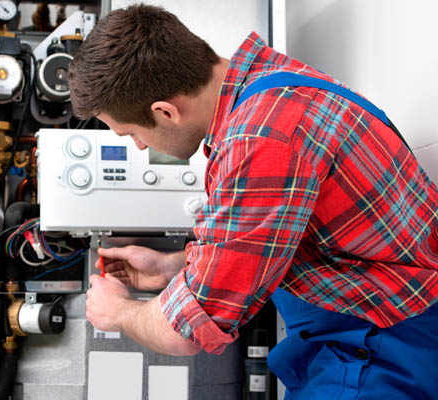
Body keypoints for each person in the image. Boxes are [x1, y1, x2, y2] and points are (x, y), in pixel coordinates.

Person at [67, 4, 438, 398]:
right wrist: (172, 266)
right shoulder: (274, 83)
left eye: (131, 134)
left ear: (165, 111)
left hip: (381, 348)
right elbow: (274, 242)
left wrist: (119, 313)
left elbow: (189, 331)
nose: (140, 146)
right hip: (370, 328)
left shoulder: (260, 141)